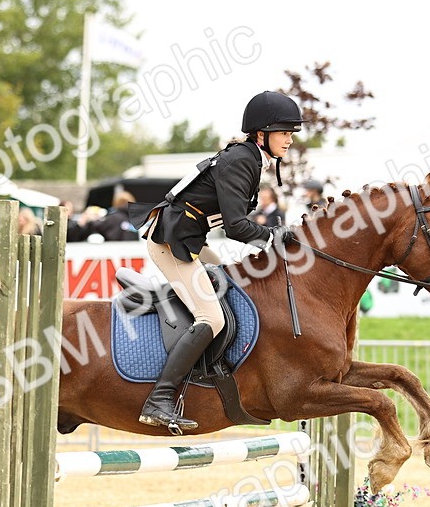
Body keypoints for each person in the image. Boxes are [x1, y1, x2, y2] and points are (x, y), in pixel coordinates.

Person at [127, 90, 302, 432]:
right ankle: (159, 400)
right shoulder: (242, 159)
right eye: (285, 132)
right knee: (212, 318)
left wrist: (274, 234)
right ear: (262, 133)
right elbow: (237, 226)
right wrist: (272, 236)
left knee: (227, 277)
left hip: (188, 239)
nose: (290, 140)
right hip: (171, 242)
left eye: (292, 133)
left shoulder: (249, 157)